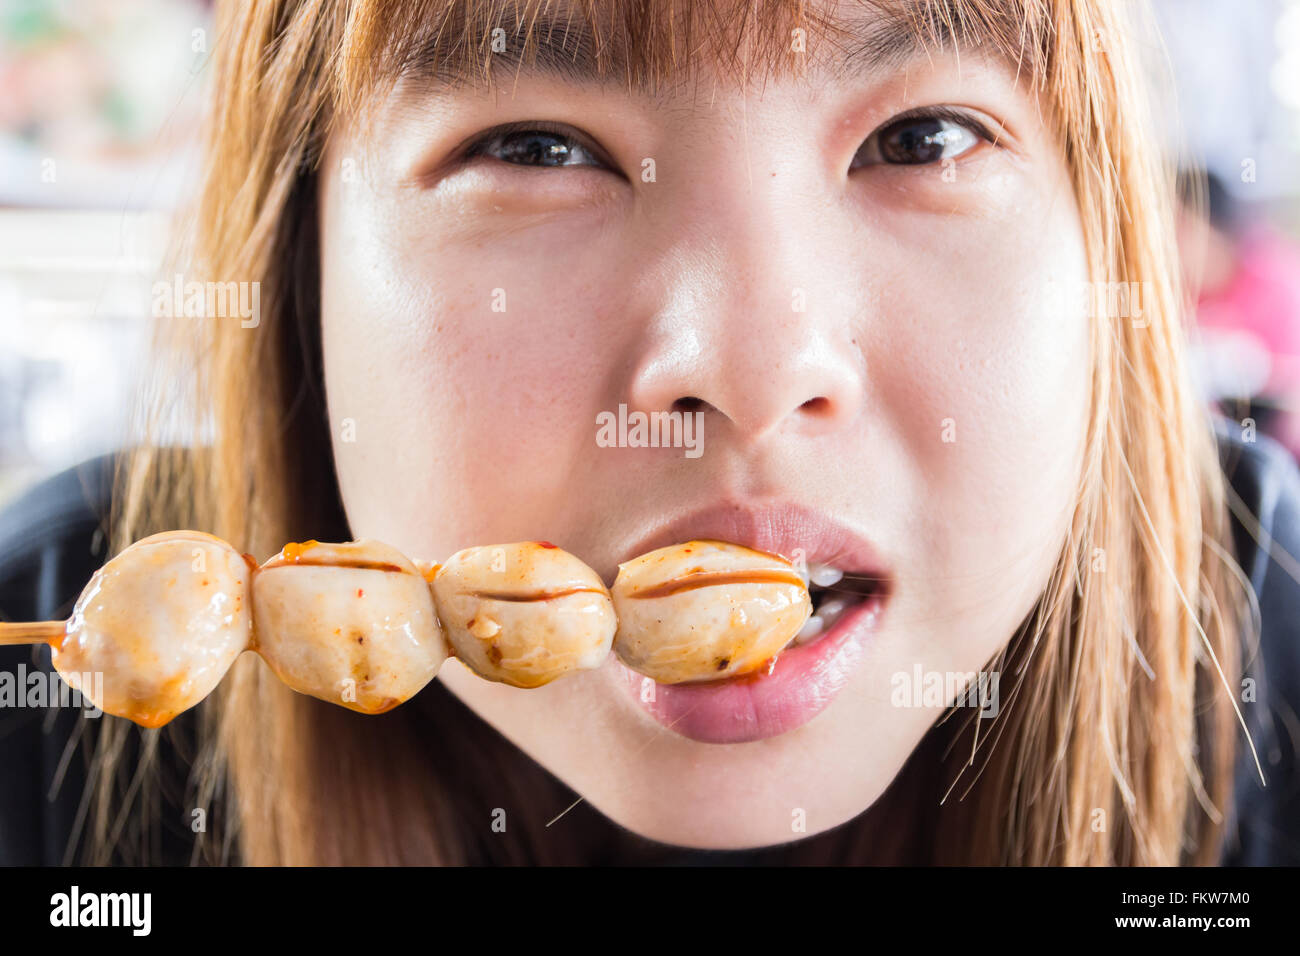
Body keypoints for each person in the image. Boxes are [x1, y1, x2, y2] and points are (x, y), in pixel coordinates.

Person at [2, 0, 1299, 866]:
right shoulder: (54, 693)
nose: (747, 373)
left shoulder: (1274, 635)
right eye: (534, 146)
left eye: (924, 137)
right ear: (301, 263)